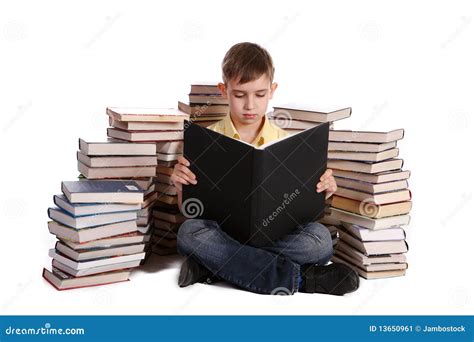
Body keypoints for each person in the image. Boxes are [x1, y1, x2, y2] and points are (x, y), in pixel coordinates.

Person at [170, 42, 359, 295]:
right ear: (223, 90)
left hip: (273, 236)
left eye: (260, 94)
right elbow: (190, 211)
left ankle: (212, 266)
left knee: (319, 242)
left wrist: (324, 191)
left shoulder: (288, 144)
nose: (250, 105)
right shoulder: (204, 141)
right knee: (189, 233)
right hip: (221, 232)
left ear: (272, 90)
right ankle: (301, 279)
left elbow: (307, 214)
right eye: (240, 94)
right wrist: (179, 185)